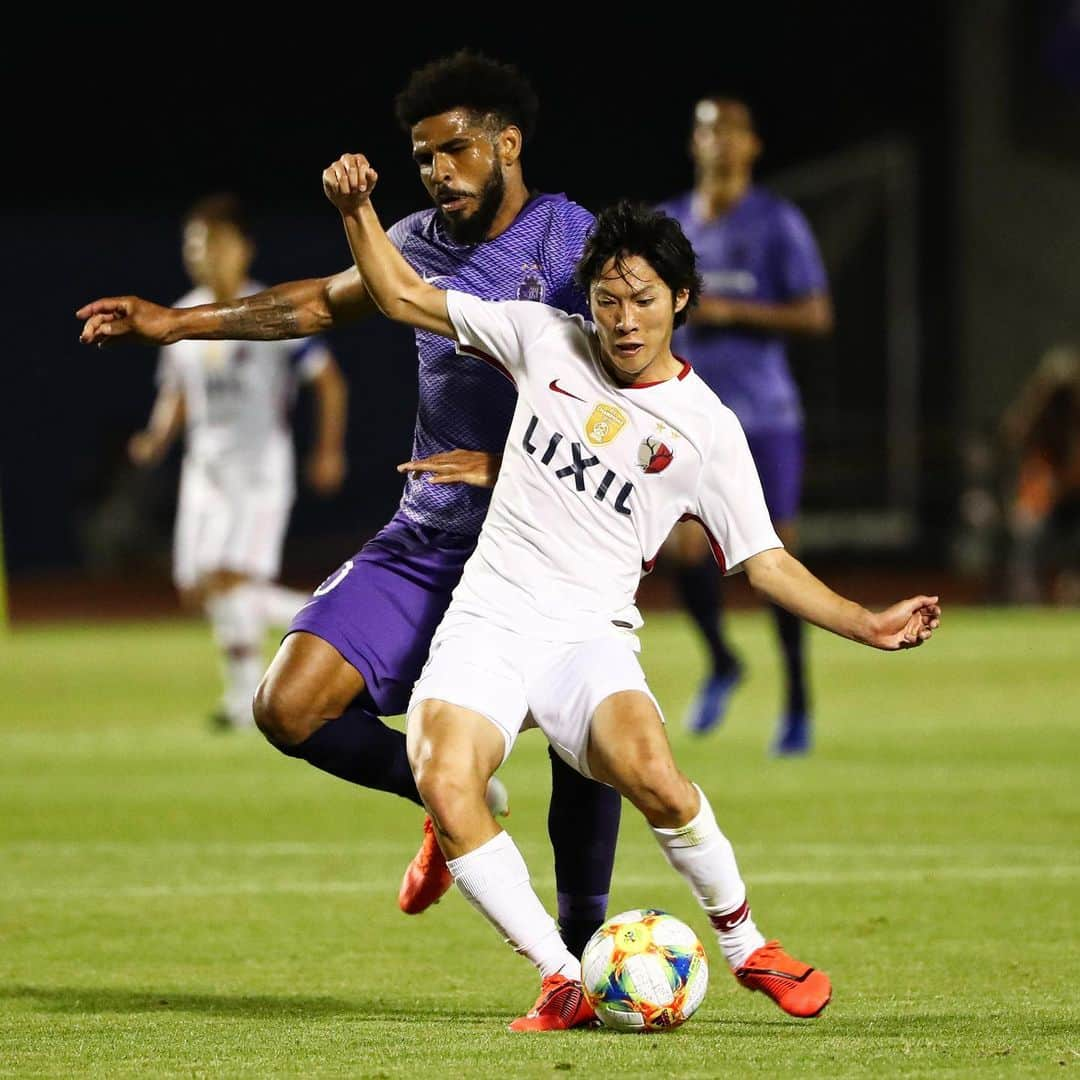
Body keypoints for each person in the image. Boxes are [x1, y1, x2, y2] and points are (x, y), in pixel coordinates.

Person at [321, 151, 940, 1031]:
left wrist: (866, 624)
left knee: (657, 776)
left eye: (643, 299)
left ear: (680, 301)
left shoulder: (708, 431)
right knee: (443, 779)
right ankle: (561, 978)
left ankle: (749, 946)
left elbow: (762, 561)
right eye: (608, 299)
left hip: (587, 638)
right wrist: (359, 213)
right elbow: (402, 296)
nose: (622, 319)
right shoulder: (543, 337)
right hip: (489, 622)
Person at [76, 51, 622, 953]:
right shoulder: (410, 243)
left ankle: (585, 946)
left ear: (508, 144)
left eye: (455, 151)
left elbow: (620, 385)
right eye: (422, 158)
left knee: (587, 734)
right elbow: (315, 307)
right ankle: (454, 793)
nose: (438, 173)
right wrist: (177, 322)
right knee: (288, 705)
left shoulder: (572, 241)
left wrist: (510, 462)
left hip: (547, 537)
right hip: (432, 537)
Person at [128, 193, 348, 728]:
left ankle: (326, 624)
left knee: (230, 582)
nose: (204, 254)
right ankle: (246, 690)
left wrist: (327, 450)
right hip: (204, 473)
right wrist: (157, 438)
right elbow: (177, 394)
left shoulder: (268, 312)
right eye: (195, 245)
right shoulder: (182, 320)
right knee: (201, 589)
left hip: (257, 473)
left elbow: (328, 382)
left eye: (215, 243)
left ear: (243, 249)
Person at [656, 97, 834, 754]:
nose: (720, 142)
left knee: (773, 555)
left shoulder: (777, 221)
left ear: (753, 146)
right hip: (688, 413)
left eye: (731, 131)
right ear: (692, 142)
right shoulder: (670, 221)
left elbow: (816, 315)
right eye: (707, 129)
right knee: (681, 550)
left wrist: (734, 310)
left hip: (764, 414)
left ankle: (796, 699)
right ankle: (724, 661)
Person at [999, 345, 1080, 604]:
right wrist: (1038, 398)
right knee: (1026, 526)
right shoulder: (1037, 424)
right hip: (1044, 504)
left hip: (1074, 499)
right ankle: (1026, 595)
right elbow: (1012, 433)